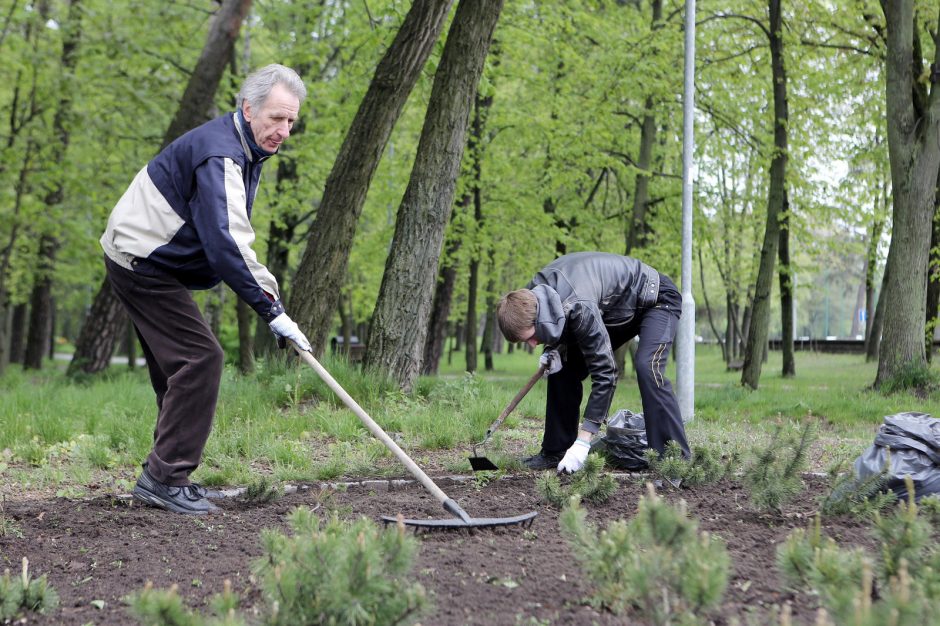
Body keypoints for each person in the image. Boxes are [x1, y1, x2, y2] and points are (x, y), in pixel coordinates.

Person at [100, 64, 312, 514]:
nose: (284, 131)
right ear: (248, 108)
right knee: (200, 358)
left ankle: (165, 474)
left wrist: (271, 306)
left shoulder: (241, 146)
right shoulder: (221, 155)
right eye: (277, 118)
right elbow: (227, 241)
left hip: (150, 258)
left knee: (180, 368)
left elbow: (226, 235)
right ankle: (164, 478)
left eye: (291, 121)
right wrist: (273, 309)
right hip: (142, 261)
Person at [496, 251, 691, 474]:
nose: (531, 344)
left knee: (648, 366)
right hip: (613, 309)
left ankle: (675, 459)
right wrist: (552, 350)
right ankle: (556, 451)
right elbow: (558, 323)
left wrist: (584, 440)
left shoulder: (579, 305)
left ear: (538, 318)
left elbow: (606, 373)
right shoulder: (529, 298)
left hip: (655, 299)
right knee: (563, 365)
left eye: (531, 337)